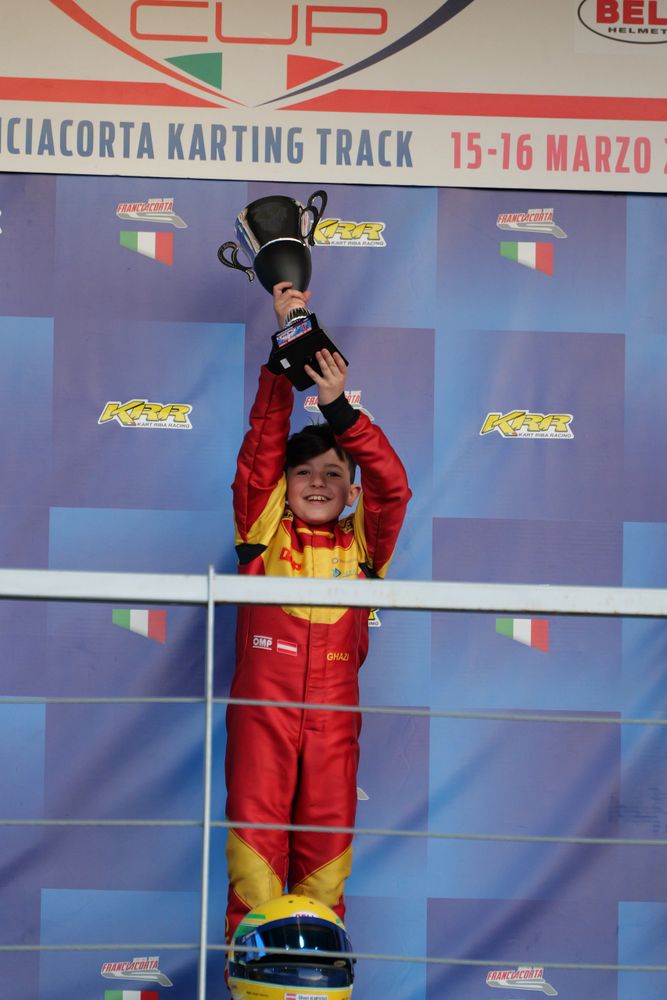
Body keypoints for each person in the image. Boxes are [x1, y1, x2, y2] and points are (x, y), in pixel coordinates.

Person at [224, 280, 411, 942]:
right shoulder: (261, 530)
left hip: (334, 723)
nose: (318, 483)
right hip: (263, 715)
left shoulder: (364, 548)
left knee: (326, 868)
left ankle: (318, 972)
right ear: (283, 486)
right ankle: (248, 974)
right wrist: (285, 353)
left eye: (333, 474)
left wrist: (337, 409)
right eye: (303, 473)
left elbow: (393, 486)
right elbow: (261, 448)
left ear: (350, 492)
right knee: (254, 861)